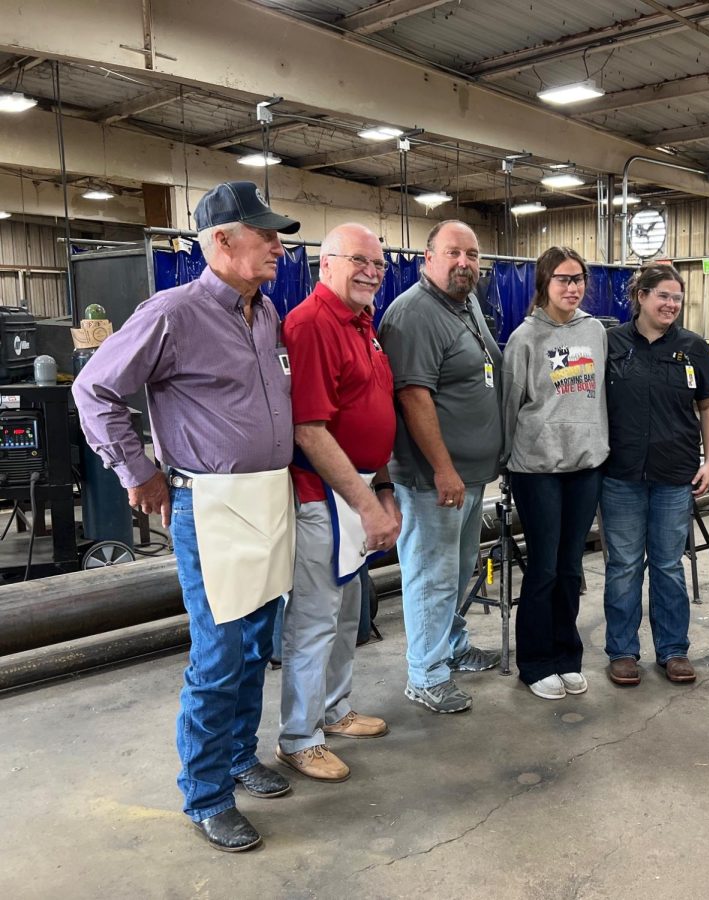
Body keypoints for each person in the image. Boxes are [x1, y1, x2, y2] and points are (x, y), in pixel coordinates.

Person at [73, 181, 301, 852]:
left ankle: (237, 755)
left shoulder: (265, 314)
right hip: (215, 503)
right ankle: (205, 794)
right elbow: (95, 390)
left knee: (259, 642)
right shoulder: (172, 312)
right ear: (222, 241)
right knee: (219, 651)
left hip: (266, 497)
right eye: (266, 236)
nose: (278, 247)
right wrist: (135, 470)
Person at [276, 223, 401, 782]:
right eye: (359, 261)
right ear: (325, 264)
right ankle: (299, 738)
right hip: (322, 494)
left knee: (349, 612)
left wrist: (383, 489)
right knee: (314, 620)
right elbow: (310, 429)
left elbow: (372, 413)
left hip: (358, 487)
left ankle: (333, 710)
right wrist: (366, 502)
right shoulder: (311, 324)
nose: (371, 272)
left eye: (377, 263)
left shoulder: (363, 323)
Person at [378, 220, 502, 714]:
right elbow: (413, 396)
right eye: (453, 253)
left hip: (469, 477)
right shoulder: (413, 314)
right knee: (430, 576)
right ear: (427, 258)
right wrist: (444, 470)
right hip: (435, 481)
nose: (464, 264)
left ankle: (453, 647)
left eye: (472, 255)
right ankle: (426, 674)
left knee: (456, 572)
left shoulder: (464, 303)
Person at [600, 264, 709, 687]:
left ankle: (673, 650)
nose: (671, 305)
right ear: (641, 296)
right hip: (621, 474)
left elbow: (708, 406)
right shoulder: (610, 342)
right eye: (663, 296)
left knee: (669, 565)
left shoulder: (693, 347)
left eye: (677, 298)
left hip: (675, 474)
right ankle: (623, 651)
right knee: (624, 566)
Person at [501, 246, 608, 700]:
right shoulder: (525, 338)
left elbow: (598, 395)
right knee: (543, 567)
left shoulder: (595, 330)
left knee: (570, 568)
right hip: (537, 467)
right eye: (563, 279)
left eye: (578, 278)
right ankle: (535, 661)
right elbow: (509, 404)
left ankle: (567, 655)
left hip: (585, 465)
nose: (572, 287)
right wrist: (506, 462)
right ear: (544, 283)